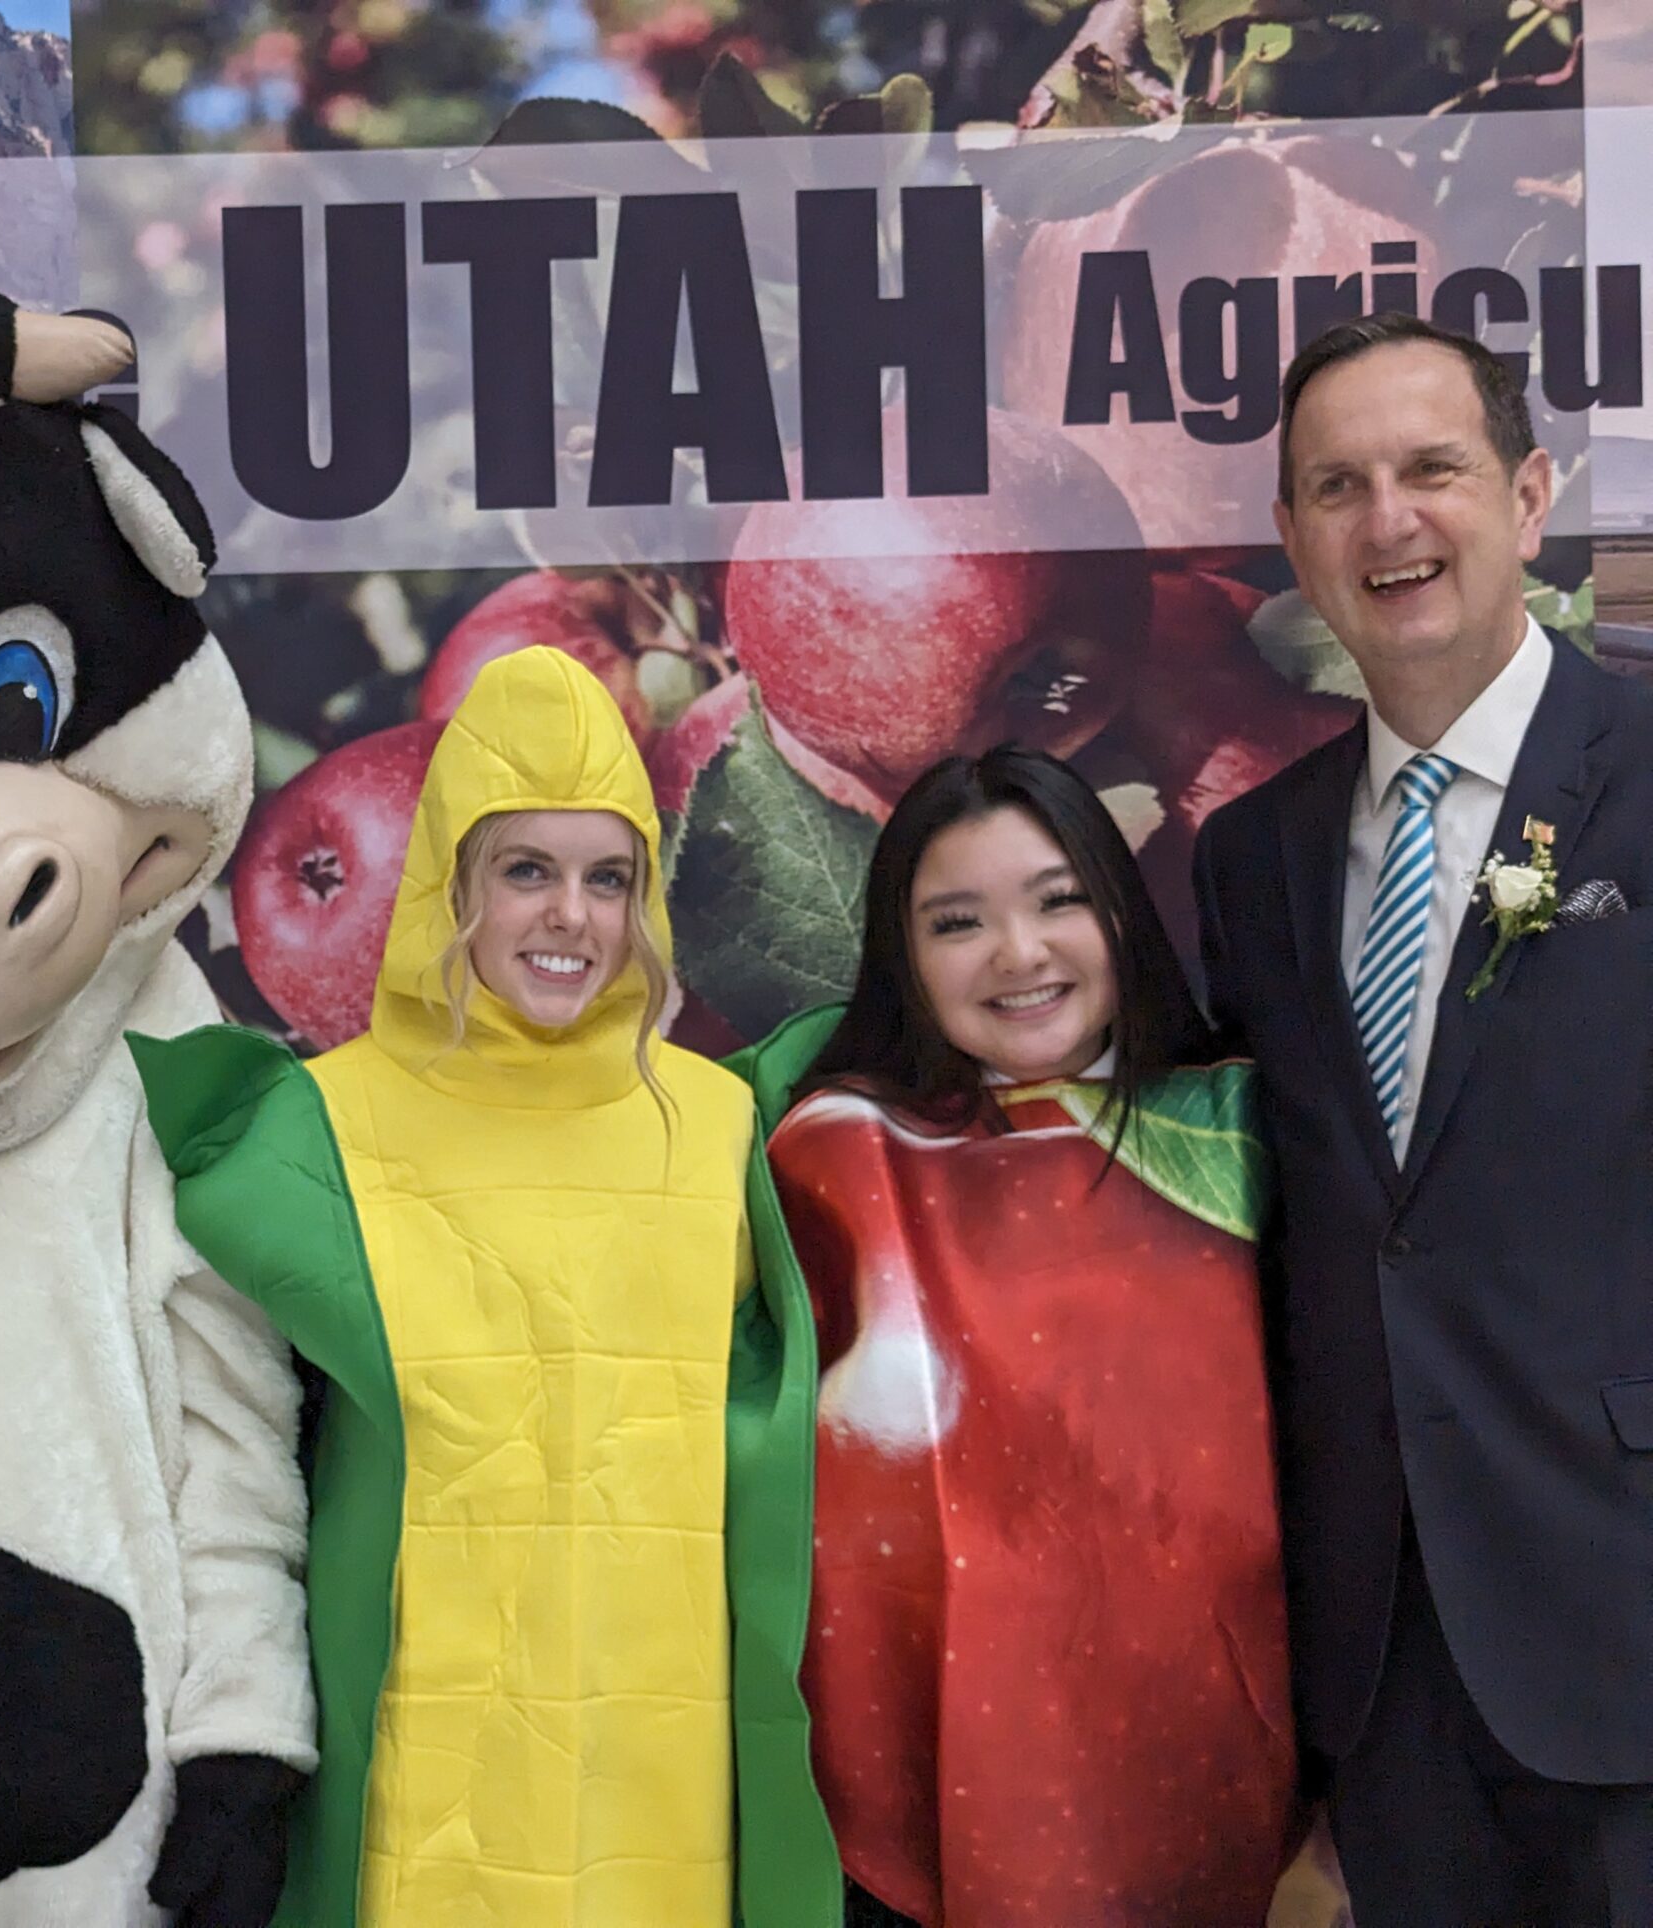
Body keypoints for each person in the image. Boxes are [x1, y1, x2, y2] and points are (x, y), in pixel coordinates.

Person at [130, 643, 842, 1928]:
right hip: (425, 1795)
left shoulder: (726, 1125)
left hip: (665, 1792)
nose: (570, 915)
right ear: (449, 877)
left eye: (606, 876)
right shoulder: (314, 1126)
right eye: (526, 869)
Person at [1195, 312, 1653, 1924]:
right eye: (1338, 485)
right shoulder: (1251, 858)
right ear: (1294, 541)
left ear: (1529, 498)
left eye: (1431, 470)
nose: (1388, 521)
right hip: (1383, 1673)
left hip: (1628, 1628)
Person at [760, 747, 1296, 1927]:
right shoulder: (833, 1157)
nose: (1020, 953)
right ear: (903, 956)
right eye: (959, 921)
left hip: (1250, 1778)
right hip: (922, 1789)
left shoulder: (1254, 1138)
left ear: (1120, 908)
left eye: (1059, 899)